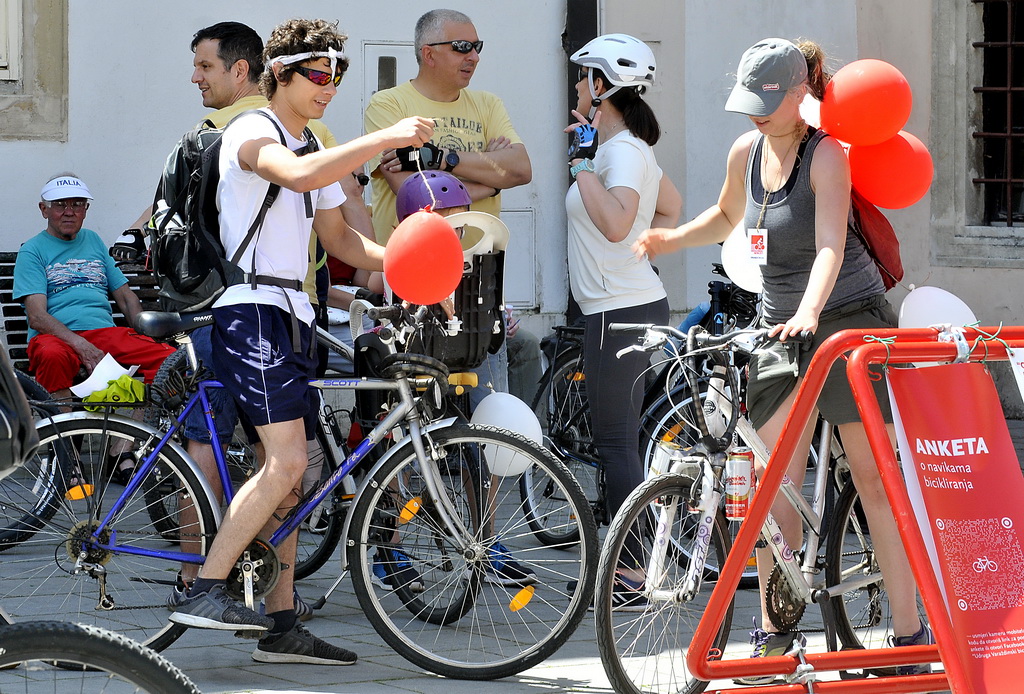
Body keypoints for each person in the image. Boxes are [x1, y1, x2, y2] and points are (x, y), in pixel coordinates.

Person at [633, 38, 931, 684]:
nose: (754, 118)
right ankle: (775, 634)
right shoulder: (747, 152)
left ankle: (908, 633)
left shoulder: (826, 156)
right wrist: (668, 238)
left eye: (765, 105)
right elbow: (722, 217)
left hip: (847, 319)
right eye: (750, 106)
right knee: (773, 491)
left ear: (801, 95)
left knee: (874, 479)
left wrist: (811, 312)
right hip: (779, 328)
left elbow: (829, 246)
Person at [166, 17, 434, 667]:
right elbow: (299, 177)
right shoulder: (255, 131)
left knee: (297, 484)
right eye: (319, 72)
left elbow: (341, 241)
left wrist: (410, 264)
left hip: (295, 314)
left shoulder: (309, 138)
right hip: (249, 308)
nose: (330, 86)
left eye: (338, 74)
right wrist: (385, 137)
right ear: (279, 73)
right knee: (285, 463)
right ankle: (206, 587)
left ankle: (281, 626)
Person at [563, 34, 681, 608]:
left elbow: (615, 224)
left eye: (583, 77)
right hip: (626, 304)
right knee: (624, 439)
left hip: (619, 310)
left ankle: (631, 575)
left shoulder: (619, 152)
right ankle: (634, 565)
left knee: (614, 442)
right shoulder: (628, 148)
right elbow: (670, 207)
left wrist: (583, 166)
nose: (577, 87)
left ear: (601, 86)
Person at [365, 8, 532, 406]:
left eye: (477, 47)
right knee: (421, 412)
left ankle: (496, 470)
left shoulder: (488, 104)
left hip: (479, 278)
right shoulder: (389, 107)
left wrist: (441, 160)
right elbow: (416, 195)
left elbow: (522, 169)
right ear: (429, 53)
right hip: (415, 279)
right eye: (461, 47)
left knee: (490, 409)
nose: (473, 56)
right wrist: (490, 176)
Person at [12, 174, 177, 483]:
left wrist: (146, 330)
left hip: (104, 335)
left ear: (86, 209)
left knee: (169, 360)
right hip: (55, 335)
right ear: (43, 209)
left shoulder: (94, 242)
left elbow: (126, 299)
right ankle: (66, 457)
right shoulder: (32, 251)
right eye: (60, 205)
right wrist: (81, 346)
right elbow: (37, 316)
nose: (69, 211)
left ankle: (121, 450)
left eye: (77, 204)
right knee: (51, 355)